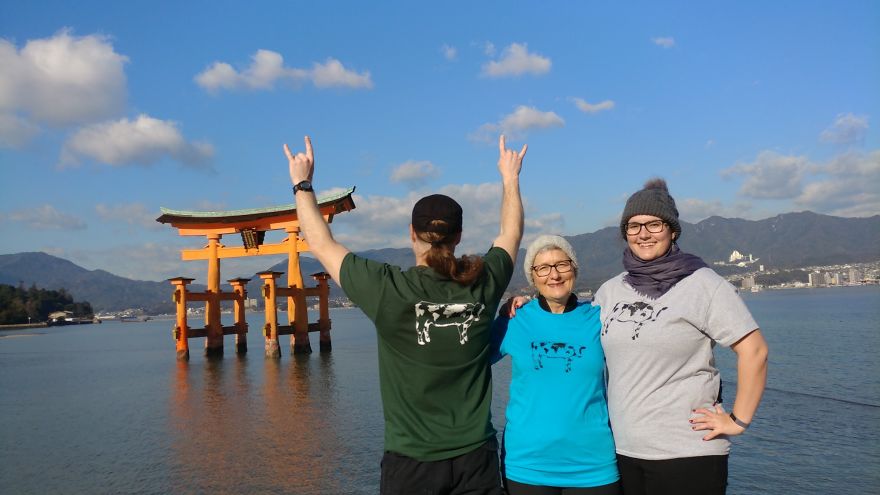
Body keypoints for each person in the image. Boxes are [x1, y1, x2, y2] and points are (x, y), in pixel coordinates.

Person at [284, 135, 527, 495]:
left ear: (411, 233)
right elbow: (511, 232)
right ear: (459, 235)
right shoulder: (483, 282)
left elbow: (320, 243)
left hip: (411, 463)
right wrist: (510, 177)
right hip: (476, 458)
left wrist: (302, 184)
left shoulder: (387, 289)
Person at [593, 178, 769, 495]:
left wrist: (738, 420)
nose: (643, 233)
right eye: (633, 226)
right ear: (624, 233)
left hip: (688, 453)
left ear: (673, 230)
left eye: (654, 224)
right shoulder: (610, 291)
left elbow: (754, 351)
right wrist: (525, 304)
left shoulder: (702, 284)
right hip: (623, 451)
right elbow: (576, 333)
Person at [490, 235, 621, 495]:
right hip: (527, 464)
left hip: (593, 464)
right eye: (543, 268)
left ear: (574, 269)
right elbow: (468, 360)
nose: (554, 275)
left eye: (562, 264)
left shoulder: (599, 317)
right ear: (533, 276)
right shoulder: (515, 319)